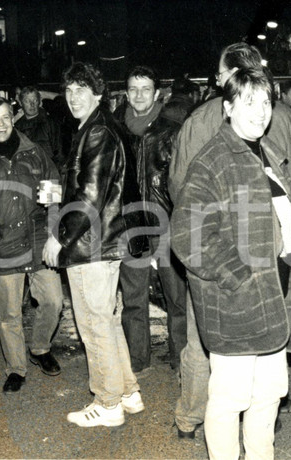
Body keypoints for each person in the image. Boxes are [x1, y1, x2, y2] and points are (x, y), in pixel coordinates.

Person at [169, 41, 291, 440]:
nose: (261, 112)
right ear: (228, 106)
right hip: (236, 300)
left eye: (266, 102)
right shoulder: (214, 158)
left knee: (268, 395)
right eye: (248, 103)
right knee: (229, 398)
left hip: (273, 294)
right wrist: (237, 275)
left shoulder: (266, 152)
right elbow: (187, 233)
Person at [43, 62, 146, 427]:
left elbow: (89, 197)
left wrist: (59, 237)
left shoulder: (98, 132)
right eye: (69, 91)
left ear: (98, 94)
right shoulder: (98, 127)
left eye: (81, 90)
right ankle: (128, 392)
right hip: (105, 242)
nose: (73, 98)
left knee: (94, 325)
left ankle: (107, 403)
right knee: (108, 321)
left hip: (92, 245)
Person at [0, 97, 63, 393]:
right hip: (2, 246)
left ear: (13, 118)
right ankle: (16, 367)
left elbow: (53, 191)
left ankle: (40, 348)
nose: (1, 124)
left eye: (5, 117)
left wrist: (53, 230)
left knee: (54, 301)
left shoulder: (35, 153)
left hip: (38, 239)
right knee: (10, 314)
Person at [117, 65, 187, 374]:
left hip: (168, 224)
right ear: (126, 92)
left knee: (177, 299)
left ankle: (182, 360)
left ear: (157, 93)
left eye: (146, 89)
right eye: (133, 89)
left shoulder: (172, 128)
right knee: (133, 299)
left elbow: (184, 178)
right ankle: (137, 361)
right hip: (130, 225)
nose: (139, 95)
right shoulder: (116, 128)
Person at [15, 86, 64, 171]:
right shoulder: (17, 128)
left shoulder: (51, 123)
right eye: (27, 101)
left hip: (48, 173)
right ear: (21, 103)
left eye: (35, 100)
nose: (32, 104)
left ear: (39, 102)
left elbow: (59, 153)